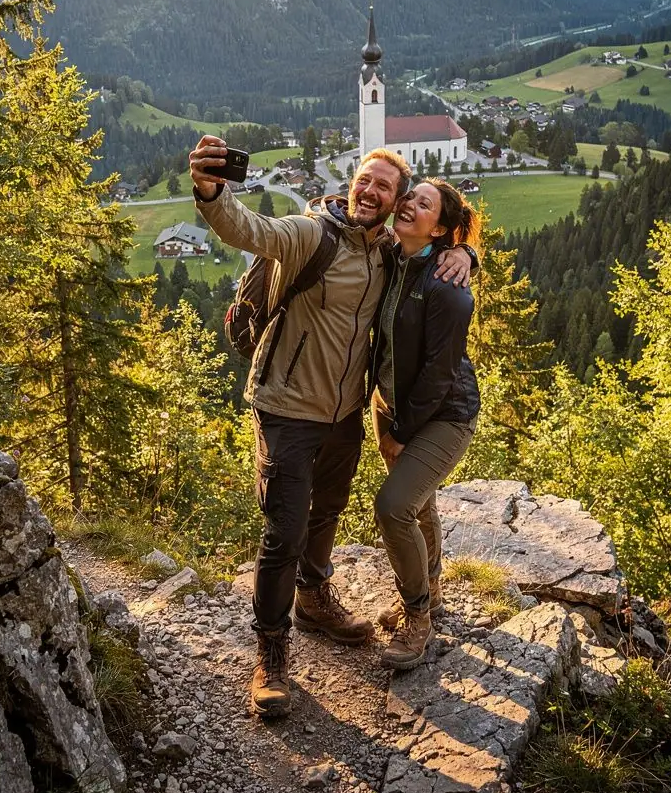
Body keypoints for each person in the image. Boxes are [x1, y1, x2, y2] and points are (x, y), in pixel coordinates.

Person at [188, 137, 475, 719]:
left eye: (386, 187)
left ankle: (314, 597)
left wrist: (468, 254)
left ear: (396, 203)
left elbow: (437, 246)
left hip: (345, 413)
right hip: (287, 406)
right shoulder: (310, 233)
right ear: (352, 185)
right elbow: (249, 230)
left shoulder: (387, 250)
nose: (372, 191)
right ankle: (271, 655)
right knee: (284, 531)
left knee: (327, 513)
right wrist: (212, 191)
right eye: (365, 180)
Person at [370, 178, 481, 670]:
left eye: (424, 204)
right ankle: (431, 591)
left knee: (394, 506)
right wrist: (470, 251)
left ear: (438, 228)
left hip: (444, 414)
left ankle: (417, 617)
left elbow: (438, 374)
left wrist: (401, 431)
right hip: (391, 403)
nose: (410, 203)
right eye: (410, 196)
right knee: (420, 503)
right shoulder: (393, 255)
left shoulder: (449, 287)